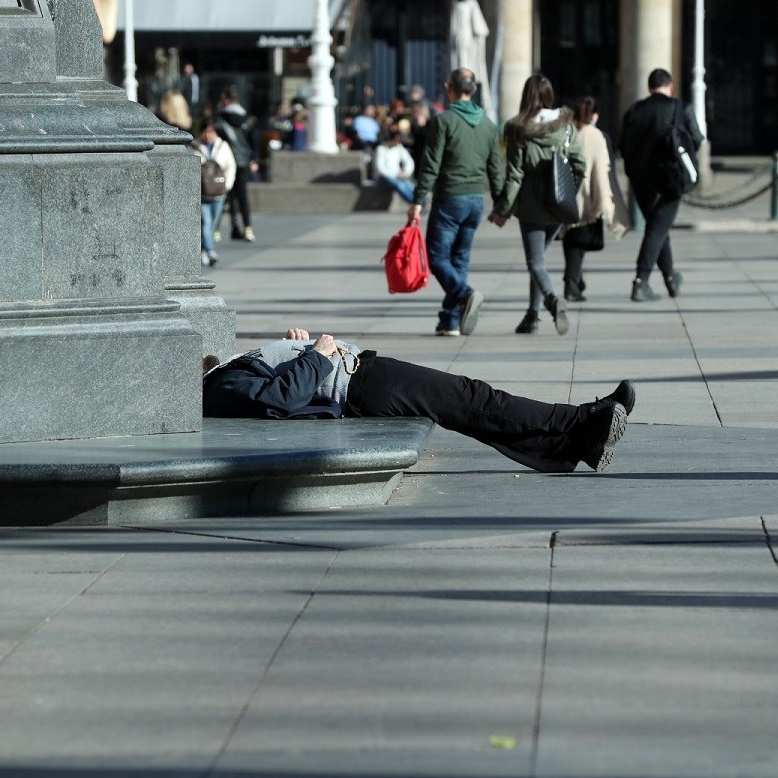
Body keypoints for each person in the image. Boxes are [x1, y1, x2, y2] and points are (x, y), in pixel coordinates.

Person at [203, 327, 636, 474]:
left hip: (365, 377)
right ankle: (582, 419)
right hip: (364, 387)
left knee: (472, 409)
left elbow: (276, 388)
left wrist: (293, 349)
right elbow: (279, 399)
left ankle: (575, 443)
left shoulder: (221, 377)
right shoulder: (218, 387)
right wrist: (315, 356)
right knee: (475, 399)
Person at [408, 67, 505, 337]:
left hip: (450, 198)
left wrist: (418, 200)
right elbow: (495, 169)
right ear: (472, 90)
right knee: (459, 260)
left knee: (437, 257)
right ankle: (449, 321)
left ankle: (465, 294)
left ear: (449, 87)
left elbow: (431, 165)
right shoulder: (488, 125)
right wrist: (500, 205)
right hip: (476, 201)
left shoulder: (444, 121)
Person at [489, 74, 585, 335]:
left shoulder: (519, 129)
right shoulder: (566, 126)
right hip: (558, 208)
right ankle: (532, 316)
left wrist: (502, 210)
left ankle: (552, 301)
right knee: (538, 260)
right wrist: (566, 193)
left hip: (531, 208)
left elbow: (515, 174)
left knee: (535, 262)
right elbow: (580, 164)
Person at [619, 68, 704, 302]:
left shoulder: (634, 110)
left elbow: (623, 144)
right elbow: (696, 138)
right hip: (670, 178)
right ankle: (640, 281)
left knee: (658, 228)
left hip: (640, 179)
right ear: (671, 86)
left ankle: (670, 278)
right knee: (657, 229)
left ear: (649, 88)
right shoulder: (679, 107)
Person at [560, 96, 627, 303]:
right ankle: (572, 284)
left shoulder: (566, 132)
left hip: (565, 196)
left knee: (571, 241)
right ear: (594, 114)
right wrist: (605, 203)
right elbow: (602, 171)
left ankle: (575, 280)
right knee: (578, 243)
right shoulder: (597, 136)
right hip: (587, 198)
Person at [214, 87, 258, 242]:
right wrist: (254, 159)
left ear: (225, 101)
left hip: (225, 161)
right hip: (243, 161)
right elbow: (253, 140)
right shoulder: (247, 118)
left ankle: (216, 230)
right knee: (242, 196)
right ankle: (247, 228)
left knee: (222, 194)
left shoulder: (220, 118)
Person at [190, 123, 236, 267]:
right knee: (206, 223)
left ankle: (204, 249)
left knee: (213, 224)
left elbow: (230, 166)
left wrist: (227, 185)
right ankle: (209, 251)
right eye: (205, 132)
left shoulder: (223, 146)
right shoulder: (194, 146)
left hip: (218, 193)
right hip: (203, 194)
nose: (208, 135)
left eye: (211, 132)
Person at [373, 127, 417, 203]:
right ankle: (414, 202)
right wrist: (396, 174)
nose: (397, 143)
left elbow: (409, 161)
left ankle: (421, 202)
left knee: (409, 185)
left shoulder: (399, 148)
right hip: (383, 178)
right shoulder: (380, 149)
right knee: (400, 185)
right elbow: (380, 169)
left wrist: (405, 173)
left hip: (398, 176)